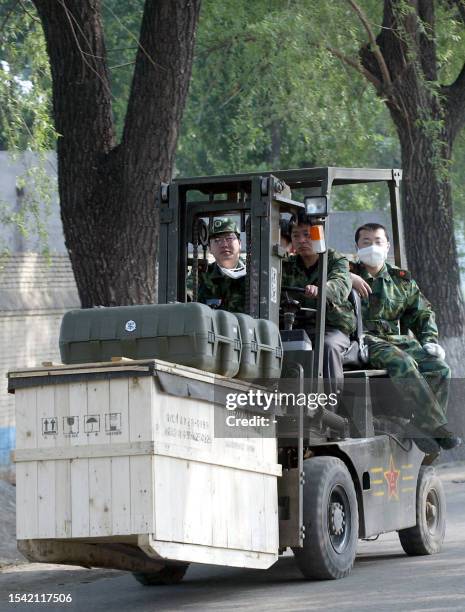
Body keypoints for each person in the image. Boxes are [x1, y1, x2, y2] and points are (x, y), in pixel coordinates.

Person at [350, 222, 461, 452]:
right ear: (357, 247)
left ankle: (420, 426)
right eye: (366, 242)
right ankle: (437, 426)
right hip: (363, 339)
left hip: (395, 340)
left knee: (440, 369)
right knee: (403, 363)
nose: (372, 247)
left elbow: (421, 312)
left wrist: (429, 340)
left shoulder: (400, 280)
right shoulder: (346, 273)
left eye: (378, 242)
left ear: (387, 246)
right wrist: (347, 277)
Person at [281, 212, 356, 394]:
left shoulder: (335, 259)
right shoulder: (287, 264)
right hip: (297, 326)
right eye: (296, 235)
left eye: (307, 234)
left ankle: (328, 409)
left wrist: (321, 289)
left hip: (332, 327)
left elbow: (340, 284)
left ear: (318, 235)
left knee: (327, 347)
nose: (301, 240)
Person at [195, 217, 246, 312]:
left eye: (229, 238)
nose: (224, 244)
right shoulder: (203, 275)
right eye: (217, 240)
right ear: (210, 248)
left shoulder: (253, 273)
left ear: (239, 243)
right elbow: (186, 296)